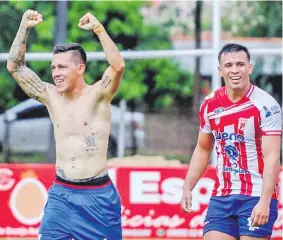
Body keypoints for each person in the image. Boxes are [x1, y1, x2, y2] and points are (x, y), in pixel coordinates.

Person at [7, 9, 125, 240]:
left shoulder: (99, 94)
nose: (56, 73)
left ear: (80, 68)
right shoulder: (50, 95)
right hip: (61, 195)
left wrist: (99, 29)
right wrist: (24, 28)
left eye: (62, 67)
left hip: (98, 198)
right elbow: (15, 67)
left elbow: (118, 66)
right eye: (53, 67)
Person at [180, 43, 281, 240]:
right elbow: (202, 149)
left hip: (255, 196)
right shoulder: (210, 104)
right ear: (220, 70)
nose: (235, 70)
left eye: (240, 64)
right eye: (228, 65)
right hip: (222, 197)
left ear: (249, 68)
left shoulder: (266, 106)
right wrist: (187, 187)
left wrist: (264, 201)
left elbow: (272, 157)